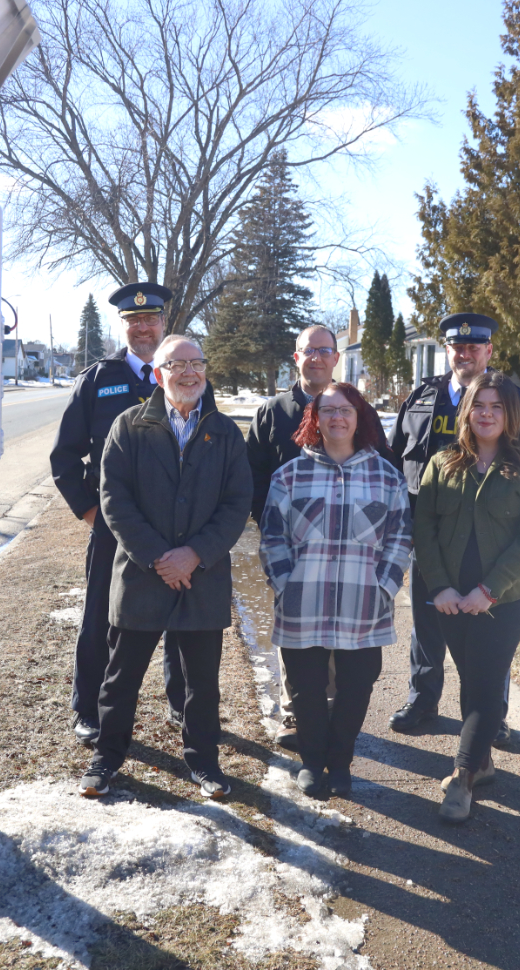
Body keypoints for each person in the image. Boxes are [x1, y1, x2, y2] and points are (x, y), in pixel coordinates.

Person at [80, 336, 252, 800]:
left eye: (198, 363)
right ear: (159, 374)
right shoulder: (128, 426)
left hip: (203, 577)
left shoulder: (225, 432)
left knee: (202, 684)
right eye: (178, 364)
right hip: (141, 576)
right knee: (120, 678)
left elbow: (238, 504)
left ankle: (204, 762)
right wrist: (159, 556)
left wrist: (194, 554)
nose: (190, 373)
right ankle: (108, 756)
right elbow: (113, 499)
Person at [387, 313, 520, 743]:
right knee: (427, 624)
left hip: (488, 540)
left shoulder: (511, 399)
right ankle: (422, 699)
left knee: (489, 637)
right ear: (447, 351)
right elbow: (395, 460)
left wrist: (504, 510)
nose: (465, 354)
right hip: (427, 535)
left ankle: (490, 715)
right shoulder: (422, 398)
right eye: (457, 347)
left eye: (474, 347)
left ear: (488, 352)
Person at [413, 372, 520, 822]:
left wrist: (488, 591)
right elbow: (425, 530)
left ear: (509, 414)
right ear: (466, 412)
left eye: (496, 407)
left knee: (488, 680)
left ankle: (462, 778)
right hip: (451, 598)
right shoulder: (442, 463)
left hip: (506, 599)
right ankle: (484, 762)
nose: (487, 414)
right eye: (479, 406)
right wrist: (440, 587)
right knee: (472, 677)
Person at [49, 282, 187, 746]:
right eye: (134, 320)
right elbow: (64, 459)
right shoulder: (96, 381)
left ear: (163, 323)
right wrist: (92, 513)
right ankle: (88, 709)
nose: (143, 327)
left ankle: (182, 706)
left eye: (150, 319)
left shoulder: (183, 375)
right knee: (100, 619)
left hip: (174, 526)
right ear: (123, 326)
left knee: (181, 618)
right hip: (113, 527)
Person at [259, 382, 410, 797]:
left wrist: (385, 586)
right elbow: (272, 535)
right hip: (301, 603)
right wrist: (284, 583)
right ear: (315, 419)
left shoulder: (385, 475)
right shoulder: (289, 475)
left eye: (345, 410)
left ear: (359, 418)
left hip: (364, 603)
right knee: (305, 688)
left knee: (357, 687)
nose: (337, 418)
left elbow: (400, 536)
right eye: (327, 411)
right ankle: (311, 760)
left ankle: (340, 762)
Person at [246, 324, 341, 751]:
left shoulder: (351, 407)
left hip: (342, 545)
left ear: (336, 358)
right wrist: (271, 534)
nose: (317, 358)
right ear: (296, 357)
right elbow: (252, 478)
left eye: (325, 350)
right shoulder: (272, 413)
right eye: (309, 351)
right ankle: (294, 708)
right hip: (289, 546)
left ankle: (335, 706)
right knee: (293, 628)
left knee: (338, 626)